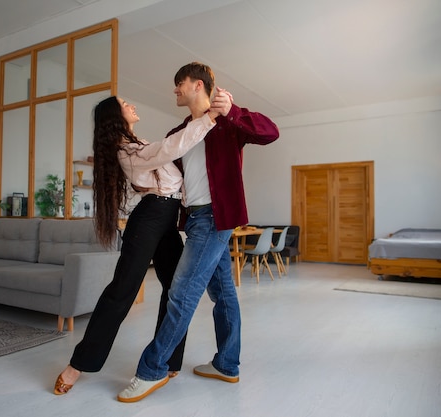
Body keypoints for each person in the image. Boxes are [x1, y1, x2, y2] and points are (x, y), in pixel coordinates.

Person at [117, 62, 280, 402]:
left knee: (181, 293)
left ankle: (152, 369)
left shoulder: (227, 120)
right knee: (224, 294)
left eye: (180, 82)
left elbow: (270, 132)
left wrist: (234, 111)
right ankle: (227, 364)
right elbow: (165, 170)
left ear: (199, 85)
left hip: (214, 219)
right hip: (194, 220)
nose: (175, 89)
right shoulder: (182, 130)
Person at [54, 95, 218, 395]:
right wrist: (207, 119)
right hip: (150, 218)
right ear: (114, 115)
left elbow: (170, 169)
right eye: (124, 103)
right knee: (122, 291)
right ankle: (77, 364)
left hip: (166, 217)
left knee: (175, 290)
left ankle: (167, 360)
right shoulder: (125, 148)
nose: (132, 104)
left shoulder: (137, 144)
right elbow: (170, 149)